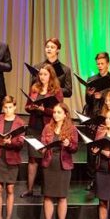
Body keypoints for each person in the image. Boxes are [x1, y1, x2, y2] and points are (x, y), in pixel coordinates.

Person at [22, 64, 63, 198]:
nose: (42, 77)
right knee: (33, 159)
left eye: (45, 74)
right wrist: (32, 107)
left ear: (50, 75)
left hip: (48, 128)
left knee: (46, 157)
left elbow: (60, 111)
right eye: (40, 74)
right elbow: (26, 107)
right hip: (34, 126)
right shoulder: (35, 88)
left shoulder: (56, 90)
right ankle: (29, 189)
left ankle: (47, 189)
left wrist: (43, 110)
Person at [83, 52, 110, 191]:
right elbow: (87, 102)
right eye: (98, 64)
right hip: (93, 116)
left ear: (108, 64)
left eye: (102, 63)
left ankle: (103, 177)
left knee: (104, 146)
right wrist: (89, 95)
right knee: (91, 148)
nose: (100, 66)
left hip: (107, 118)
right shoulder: (91, 79)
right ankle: (91, 178)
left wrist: (102, 96)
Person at [0, 96, 25, 219]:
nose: (8, 110)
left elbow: (20, 143)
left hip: (12, 158)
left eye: (10, 107)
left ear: (15, 107)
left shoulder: (20, 122)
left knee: (10, 189)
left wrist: (11, 142)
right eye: (5, 107)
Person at [40, 103, 78, 219]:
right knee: (48, 196)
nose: (56, 114)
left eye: (59, 112)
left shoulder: (71, 129)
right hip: (49, 164)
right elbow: (42, 145)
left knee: (62, 197)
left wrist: (68, 144)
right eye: (54, 112)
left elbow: (75, 148)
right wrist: (42, 148)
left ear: (65, 114)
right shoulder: (47, 128)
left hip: (63, 165)